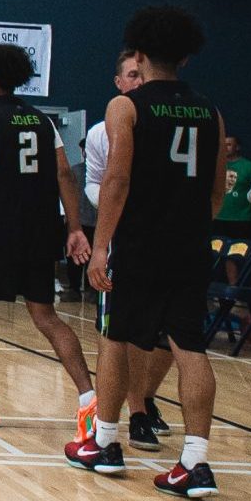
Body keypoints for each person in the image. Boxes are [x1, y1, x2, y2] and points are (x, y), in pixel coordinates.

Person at [68, 5, 225, 499]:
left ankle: (105, 443)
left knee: (115, 338)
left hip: (140, 243)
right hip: (191, 245)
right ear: (186, 56)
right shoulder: (211, 112)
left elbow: (115, 181)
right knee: (190, 348)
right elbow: (216, 191)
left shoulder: (126, 107)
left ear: (137, 54)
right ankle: (195, 462)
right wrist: (190, 226)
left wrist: (100, 246)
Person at [0, 44, 96, 437]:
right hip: (42, 227)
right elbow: (64, 175)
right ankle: (89, 399)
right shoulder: (42, 120)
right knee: (46, 316)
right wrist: (75, 228)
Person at [84, 49, 171, 446]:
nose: (138, 80)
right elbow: (98, 182)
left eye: (142, 73)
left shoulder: (168, 118)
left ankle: (145, 399)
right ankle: (128, 416)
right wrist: (105, 231)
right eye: (131, 75)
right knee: (119, 332)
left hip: (168, 238)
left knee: (170, 337)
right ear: (119, 83)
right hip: (125, 236)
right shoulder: (104, 129)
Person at [215, 134, 251, 243]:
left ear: (237, 147)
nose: (225, 147)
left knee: (239, 251)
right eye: (223, 145)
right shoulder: (216, 165)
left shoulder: (249, 167)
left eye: (229, 145)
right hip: (219, 217)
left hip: (242, 219)